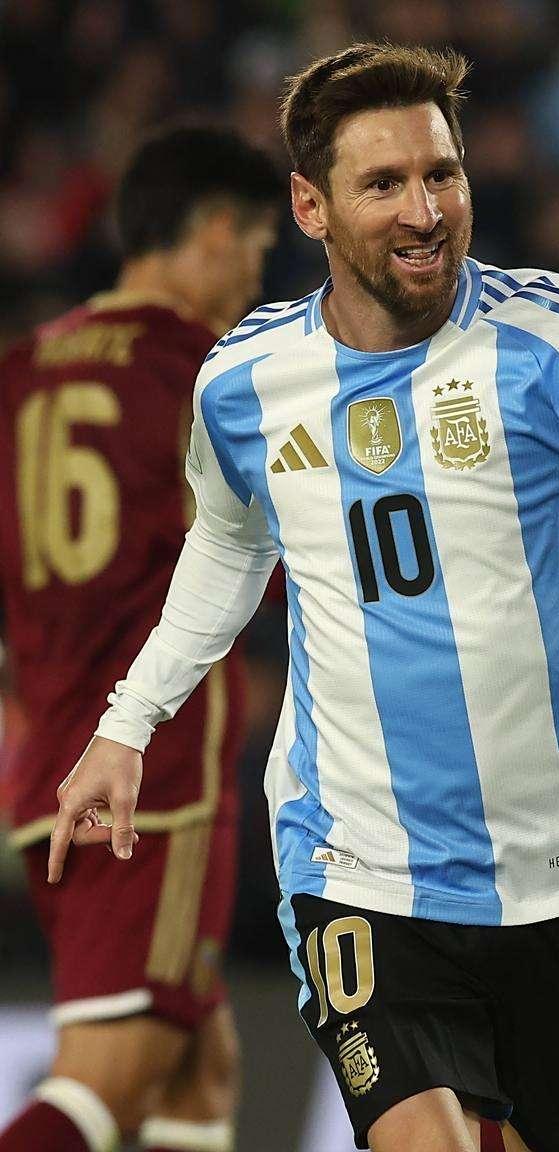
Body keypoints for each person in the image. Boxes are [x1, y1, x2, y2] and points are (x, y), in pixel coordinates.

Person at [46, 44, 559, 1152]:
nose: (425, 211)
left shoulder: (550, 333)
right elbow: (229, 546)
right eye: (383, 183)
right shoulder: (243, 383)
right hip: (359, 867)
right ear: (309, 206)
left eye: (442, 174)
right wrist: (127, 722)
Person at [0, 126, 281, 1152]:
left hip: (46, 768)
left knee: (201, 1076)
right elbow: (255, 557)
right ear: (212, 233)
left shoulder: (20, 372)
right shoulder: (199, 372)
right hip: (148, 785)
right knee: (103, 1088)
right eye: (255, 247)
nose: (255, 279)